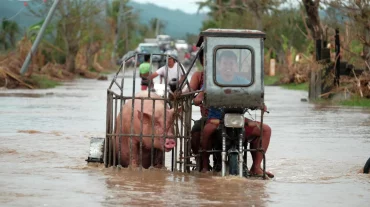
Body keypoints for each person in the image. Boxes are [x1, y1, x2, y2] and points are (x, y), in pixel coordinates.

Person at [193, 50, 274, 178]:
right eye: (225, 63)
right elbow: (202, 93)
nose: (228, 67)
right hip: (216, 119)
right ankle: (204, 164)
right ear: (219, 65)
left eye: (231, 64)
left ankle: (256, 167)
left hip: (239, 118)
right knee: (207, 131)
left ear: (236, 66)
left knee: (266, 130)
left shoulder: (243, 81)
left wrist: (260, 103)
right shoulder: (212, 80)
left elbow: (253, 95)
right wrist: (199, 97)